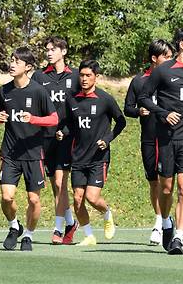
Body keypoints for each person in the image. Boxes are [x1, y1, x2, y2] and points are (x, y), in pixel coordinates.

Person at [138, 27, 183, 254]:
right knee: (166, 188)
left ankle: (179, 237)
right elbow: (143, 96)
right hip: (166, 139)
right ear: (182, 44)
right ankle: (166, 221)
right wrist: (162, 113)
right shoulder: (163, 71)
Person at [0, 47, 58, 251]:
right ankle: (14, 226)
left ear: (28, 67)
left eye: (17, 61)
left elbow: (53, 119)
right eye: (11, 60)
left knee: (34, 199)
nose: (12, 64)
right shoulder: (3, 90)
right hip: (10, 153)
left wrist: (34, 119)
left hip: (33, 154)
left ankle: (28, 236)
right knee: (7, 197)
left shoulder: (38, 91)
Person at [61, 60, 126, 246]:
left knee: (92, 197)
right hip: (78, 157)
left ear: (96, 77)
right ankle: (89, 235)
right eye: (81, 75)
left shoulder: (105, 99)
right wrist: (62, 132)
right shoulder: (72, 99)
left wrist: (107, 139)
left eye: (88, 75)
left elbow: (121, 122)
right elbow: (69, 125)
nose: (84, 79)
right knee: (78, 199)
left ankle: (107, 213)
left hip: (98, 157)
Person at [124, 39, 174, 245]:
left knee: (167, 183)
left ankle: (164, 223)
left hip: (169, 139)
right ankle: (159, 221)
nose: (170, 60)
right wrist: (138, 111)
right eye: (166, 57)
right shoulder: (138, 81)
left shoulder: (173, 79)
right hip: (148, 139)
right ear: (154, 58)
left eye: (172, 57)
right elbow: (127, 108)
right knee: (154, 182)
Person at [30, 36, 80, 244]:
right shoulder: (39, 76)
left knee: (61, 183)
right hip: (44, 137)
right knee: (54, 185)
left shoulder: (76, 76)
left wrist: (67, 130)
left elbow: (81, 107)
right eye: (47, 49)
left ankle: (58, 229)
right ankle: (70, 221)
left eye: (53, 49)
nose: (49, 53)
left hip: (66, 137)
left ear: (64, 52)